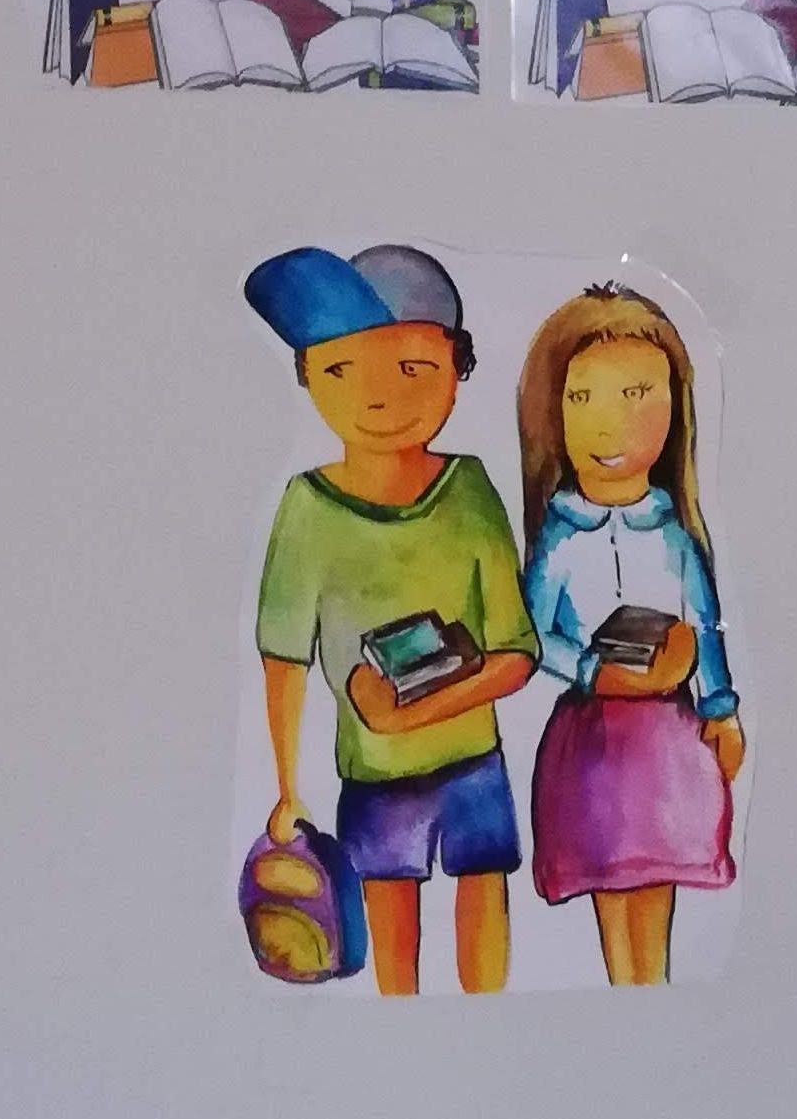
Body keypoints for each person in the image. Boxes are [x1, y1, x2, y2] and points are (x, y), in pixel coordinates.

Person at [247, 244, 537, 995]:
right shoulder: (307, 508)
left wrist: (410, 711)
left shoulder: (470, 489)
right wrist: (286, 789)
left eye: (412, 368)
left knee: (484, 930)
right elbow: (283, 658)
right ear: (308, 376)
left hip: (474, 764)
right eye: (342, 370)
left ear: (457, 368)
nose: (378, 396)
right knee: (392, 954)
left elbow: (517, 650)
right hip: (373, 779)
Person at [517, 285, 743, 986]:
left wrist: (721, 708)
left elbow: (705, 623)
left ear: (675, 406)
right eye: (582, 398)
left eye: (636, 394)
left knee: (658, 892)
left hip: (670, 743)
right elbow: (531, 633)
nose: (609, 423)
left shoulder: (674, 534)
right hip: (593, 745)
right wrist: (591, 670)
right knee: (613, 895)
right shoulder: (559, 537)